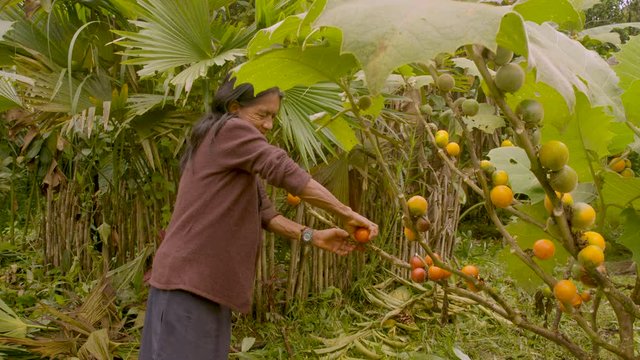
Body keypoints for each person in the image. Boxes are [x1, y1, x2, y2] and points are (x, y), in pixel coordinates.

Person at [139, 76, 379, 359]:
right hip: (188, 285)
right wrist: (346, 214)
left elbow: (266, 214)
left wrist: (314, 236)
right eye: (262, 114)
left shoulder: (229, 148)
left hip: (199, 284)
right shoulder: (229, 130)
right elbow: (283, 170)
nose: (268, 124)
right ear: (233, 108)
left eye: (273, 116)